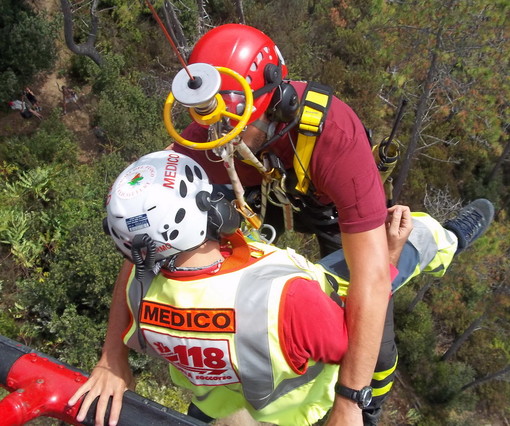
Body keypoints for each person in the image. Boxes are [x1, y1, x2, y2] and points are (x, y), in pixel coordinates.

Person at [68, 150, 493, 426]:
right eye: (212, 195)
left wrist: (111, 358)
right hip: (307, 405)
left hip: (217, 404)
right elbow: (354, 327)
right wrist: (390, 261)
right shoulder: (286, 302)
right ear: (206, 211)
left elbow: (134, 263)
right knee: (409, 237)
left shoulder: (140, 294)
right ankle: (451, 238)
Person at [168, 23, 430, 424]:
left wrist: (349, 401)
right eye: (215, 130)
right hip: (263, 198)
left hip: (327, 204)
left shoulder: (335, 137)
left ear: (279, 104)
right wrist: (113, 359)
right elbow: (146, 223)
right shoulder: (210, 134)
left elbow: (373, 280)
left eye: (237, 130)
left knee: (378, 348)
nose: (224, 142)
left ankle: (369, 408)